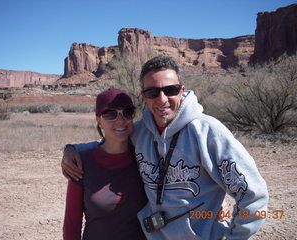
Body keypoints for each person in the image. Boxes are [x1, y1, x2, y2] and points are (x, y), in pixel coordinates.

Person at [62, 56, 269, 239]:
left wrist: (235, 236)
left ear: (182, 90)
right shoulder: (140, 132)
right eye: (152, 92)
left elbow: (253, 195)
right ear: (144, 95)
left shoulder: (208, 132)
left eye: (170, 90)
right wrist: (72, 149)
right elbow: (111, 140)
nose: (162, 100)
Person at [63, 88, 148, 240]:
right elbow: (72, 224)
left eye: (127, 112)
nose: (121, 120)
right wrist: (69, 149)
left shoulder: (145, 158)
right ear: (98, 120)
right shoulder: (81, 163)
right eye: (110, 114)